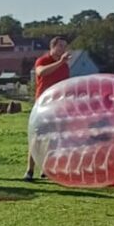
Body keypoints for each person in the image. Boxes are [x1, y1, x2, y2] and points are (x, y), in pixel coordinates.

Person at [23, 36, 72, 181]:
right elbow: (41, 72)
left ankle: (46, 169)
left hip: (58, 106)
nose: (63, 49)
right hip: (43, 105)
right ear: (53, 47)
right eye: (60, 46)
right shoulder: (43, 60)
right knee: (36, 138)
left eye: (65, 46)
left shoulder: (65, 66)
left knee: (53, 139)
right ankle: (29, 170)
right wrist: (60, 62)